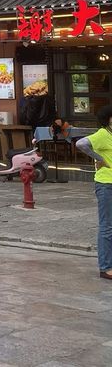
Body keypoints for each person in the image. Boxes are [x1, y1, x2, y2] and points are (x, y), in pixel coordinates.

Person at [76, 106, 112, 280]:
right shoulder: (103, 134)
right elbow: (81, 143)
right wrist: (99, 159)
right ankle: (105, 267)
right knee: (107, 227)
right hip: (106, 185)